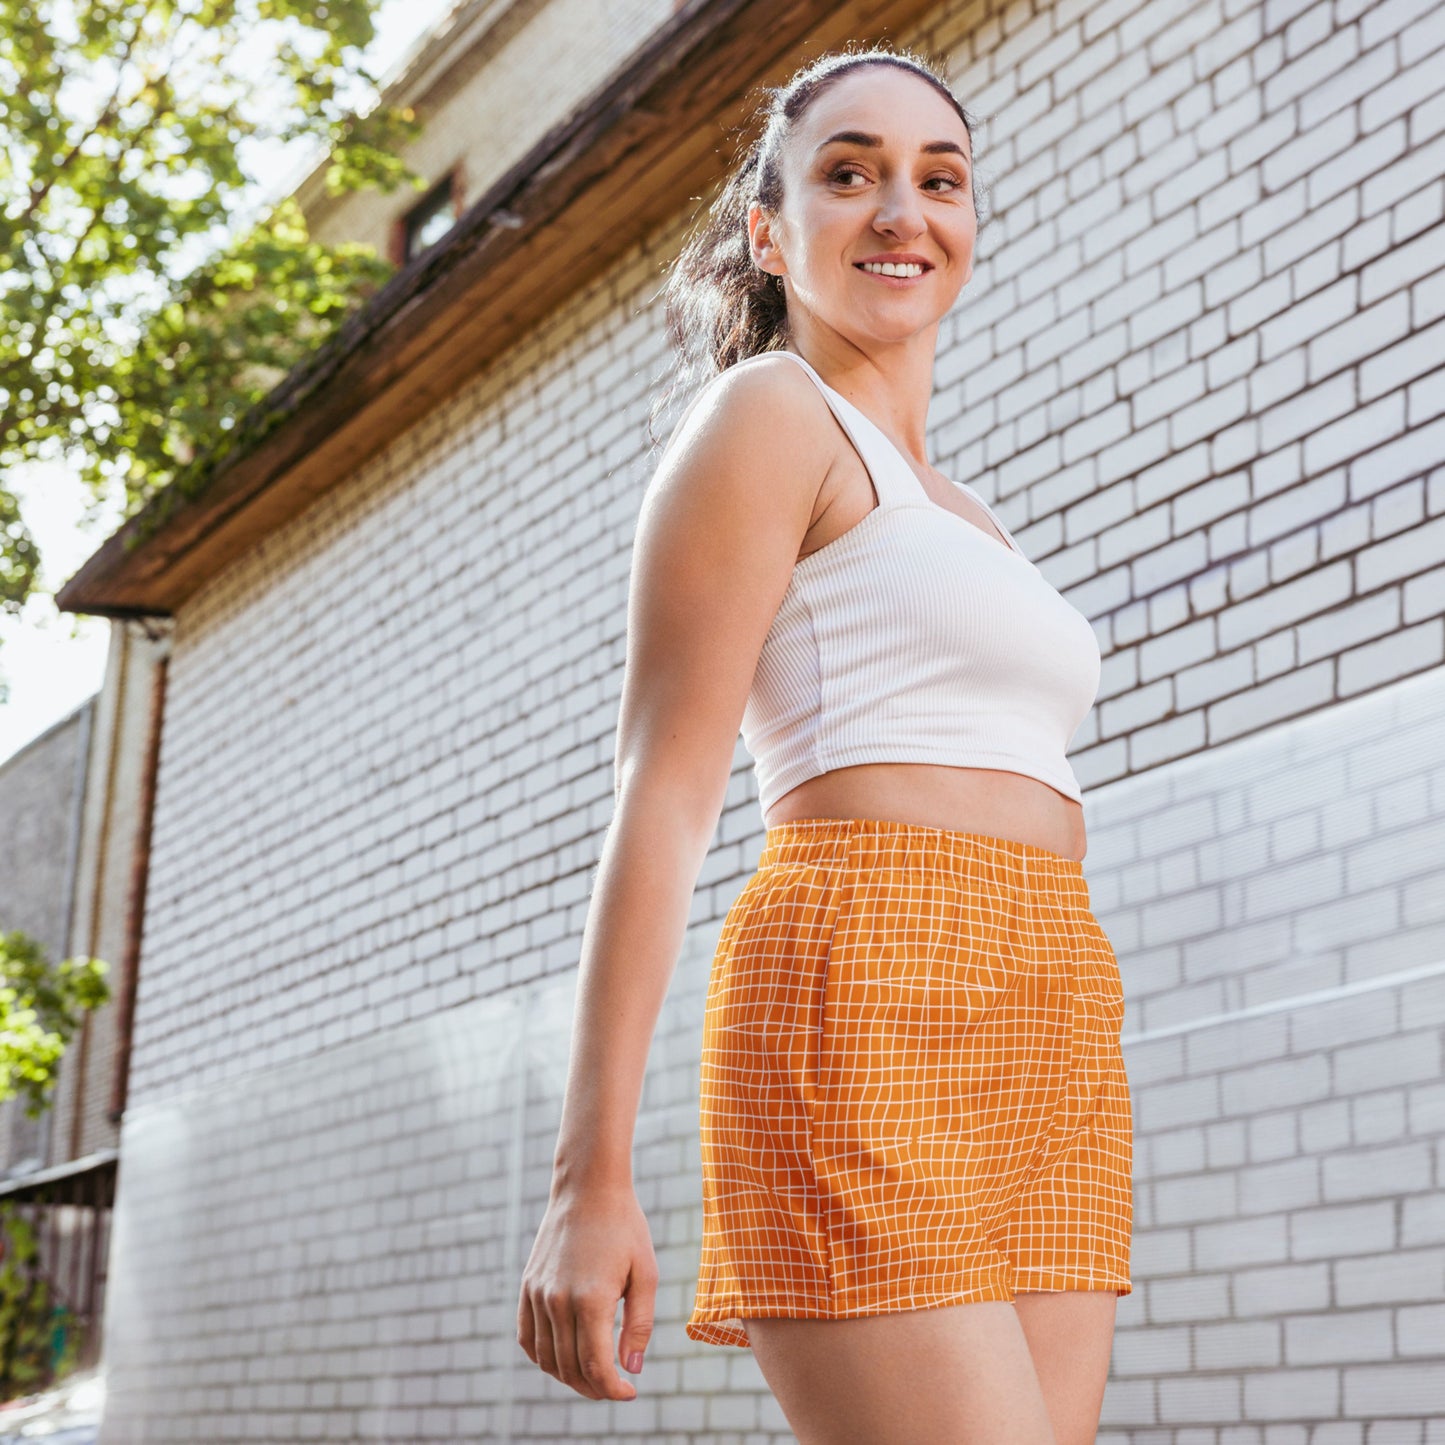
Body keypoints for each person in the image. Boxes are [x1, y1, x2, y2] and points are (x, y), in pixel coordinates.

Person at [517, 44, 1133, 1445]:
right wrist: (587, 1176)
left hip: (1049, 1004)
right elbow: (661, 796)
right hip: (859, 976)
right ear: (767, 230)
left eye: (939, 179)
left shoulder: (968, 510)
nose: (900, 210)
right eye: (848, 173)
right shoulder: (766, 417)